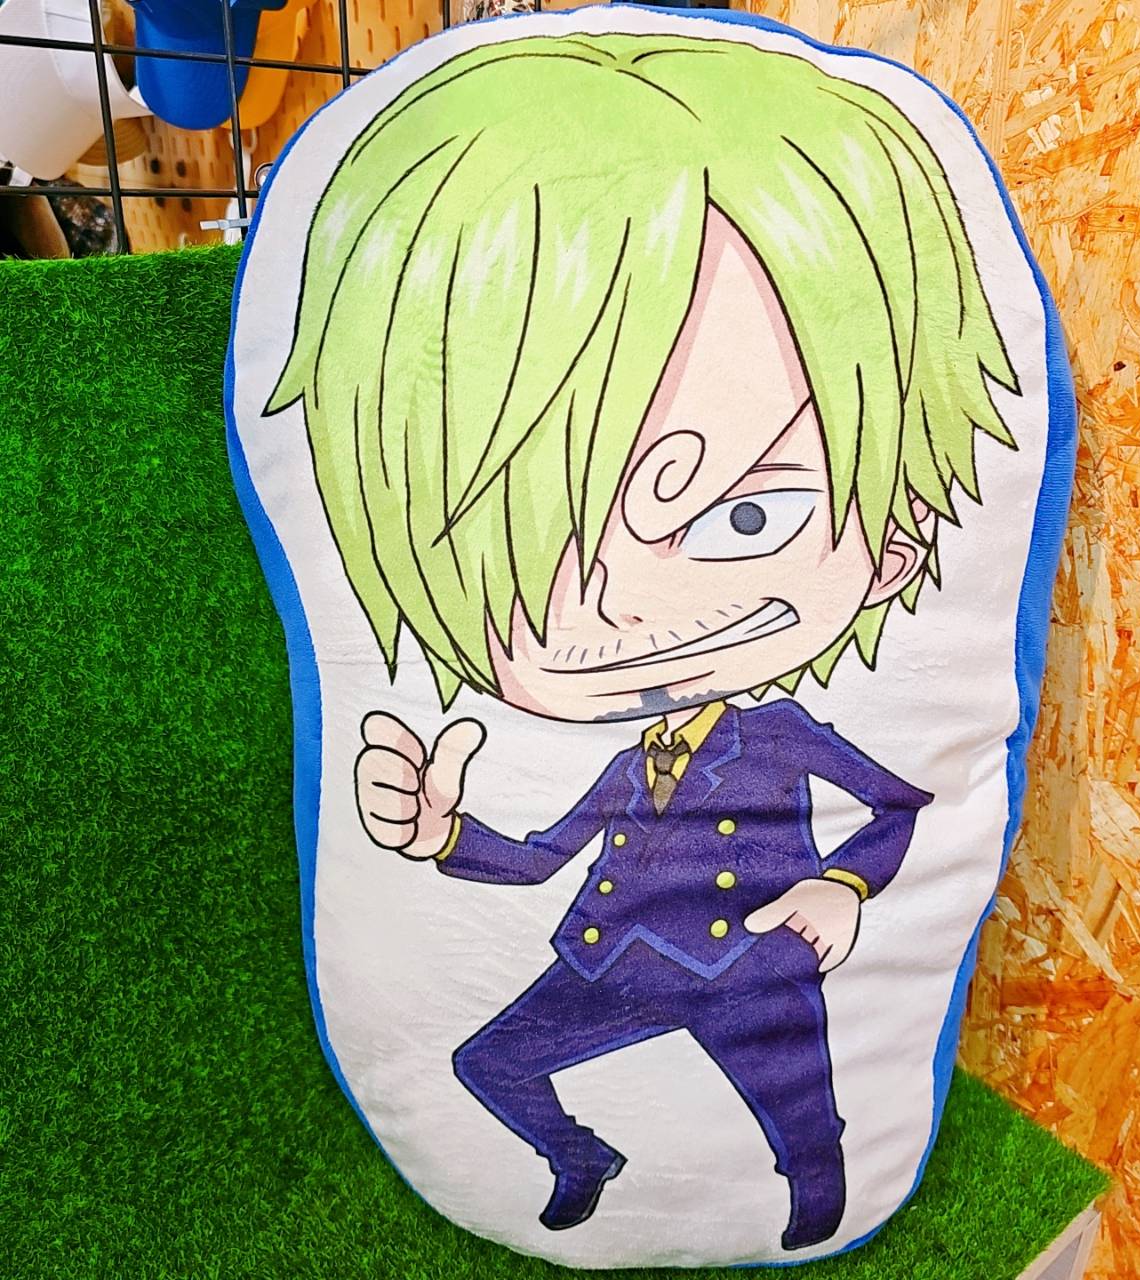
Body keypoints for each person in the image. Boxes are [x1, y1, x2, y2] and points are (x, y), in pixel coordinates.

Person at [267, 31, 1018, 1251]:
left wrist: (836, 883)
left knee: (805, 1126)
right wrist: (441, 832)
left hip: (753, 965)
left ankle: (814, 1205)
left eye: (749, 513)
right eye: (544, 558)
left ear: (887, 548)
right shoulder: (626, 764)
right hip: (612, 956)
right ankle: (582, 1152)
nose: (626, 614)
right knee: (488, 1059)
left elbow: (895, 802)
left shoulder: (782, 729)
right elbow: (537, 858)